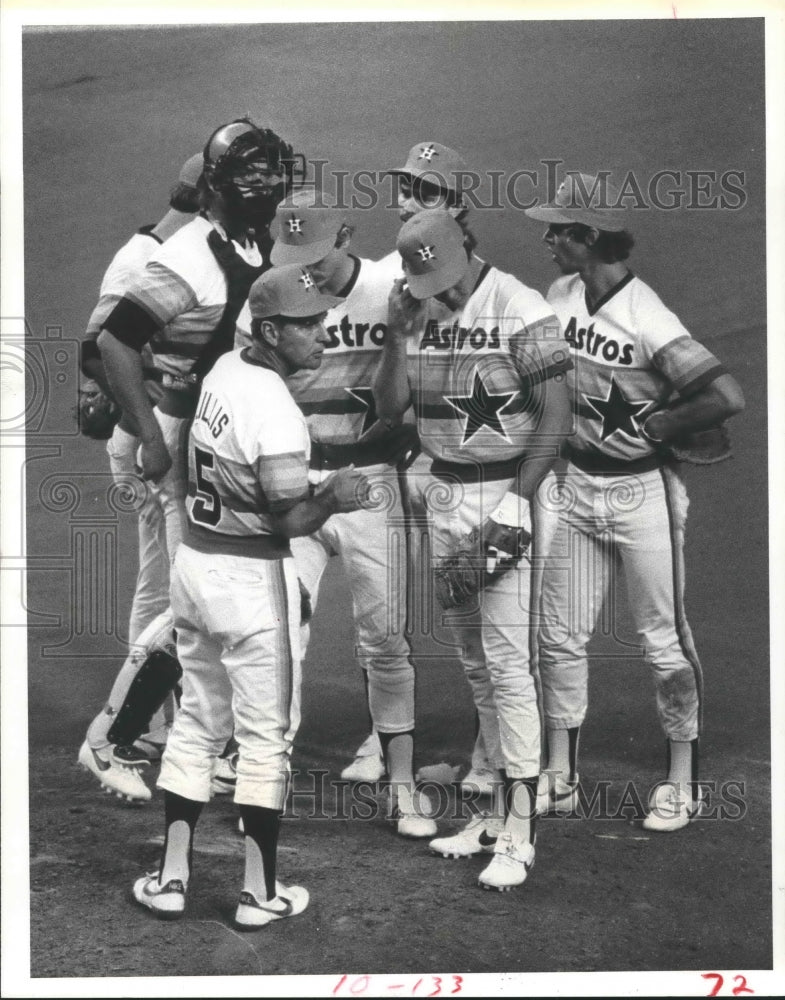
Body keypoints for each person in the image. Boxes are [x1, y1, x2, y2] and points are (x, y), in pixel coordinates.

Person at [133, 264, 372, 926]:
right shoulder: (277, 412)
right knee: (266, 738)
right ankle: (258, 895)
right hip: (252, 584)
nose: (323, 334)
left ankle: (171, 878)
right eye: (308, 324)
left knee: (196, 724)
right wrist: (333, 496)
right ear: (268, 330)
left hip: (196, 568)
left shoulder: (224, 373)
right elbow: (291, 520)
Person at [524, 172, 745, 831]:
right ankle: (559, 773)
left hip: (640, 493)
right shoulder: (559, 294)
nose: (547, 239)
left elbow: (725, 396)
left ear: (588, 237)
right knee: (558, 635)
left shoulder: (646, 314)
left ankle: (683, 780)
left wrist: (661, 425)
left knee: (661, 639)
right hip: (576, 488)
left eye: (558, 230)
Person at [86, 119, 301, 792]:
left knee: (180, 590)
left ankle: (178, 735)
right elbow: (114, 346)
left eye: (271, 171)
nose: (264, 184)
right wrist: (148, 435)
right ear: (213, 185)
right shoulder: (189, 258)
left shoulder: (250, 239)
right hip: (171, 438)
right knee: (196, 598)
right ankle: (110, 739)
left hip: (203, 433)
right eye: (249, 174)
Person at [374, 210, 572, 890]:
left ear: (469, 250)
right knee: (475, 660)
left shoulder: (518, 305)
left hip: (506, 493)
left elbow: (556, 412)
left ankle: (520, 830)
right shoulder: (416, 309)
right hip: (445, 495)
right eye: (427, 280)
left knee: (511, 665)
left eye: (448, 277)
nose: (443, 291)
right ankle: (492, 812)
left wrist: (521, 497)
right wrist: (399, 338)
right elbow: (387, 409)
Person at [247, 187, 435, 836]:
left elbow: (398, 407)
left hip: (370, 480)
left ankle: (403, 784)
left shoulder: (393, 289)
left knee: (383, 639)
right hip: (295, 483)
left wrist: (401, 336)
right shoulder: (274, 294)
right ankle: (262, 789)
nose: (307, 268)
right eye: (293, 252)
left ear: (349, 235)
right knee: (277, 639)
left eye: (318, 253)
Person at [343, 140, 497, 796]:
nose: (407, 200)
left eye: (426, 191)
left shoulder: (487, 290)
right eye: (404, 186)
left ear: (457, 206)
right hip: (392, 467)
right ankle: (382, 740)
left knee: (479, 623)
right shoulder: (379, 278)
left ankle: (492, 754)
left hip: (462, 478)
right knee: (380, 618)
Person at [77, 152, 203, 802]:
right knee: (187, 589)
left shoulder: (157, 248)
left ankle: (150, 724)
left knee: (157, 581)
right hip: (151, 442)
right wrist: (151, 418)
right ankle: (172, 729)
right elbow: (95, 355)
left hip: (146, 439)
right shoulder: (143, 259)